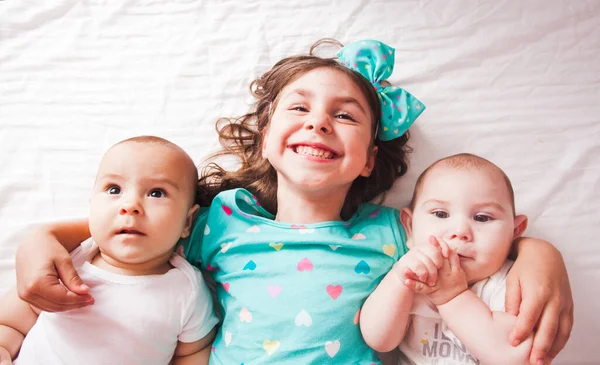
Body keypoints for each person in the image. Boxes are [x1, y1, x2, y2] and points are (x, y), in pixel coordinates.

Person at [13, 40, 572, 364]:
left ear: (369, 160)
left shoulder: (394, 231)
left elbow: (473, 239)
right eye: (299, 108)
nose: (320, 122)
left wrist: (542, 253)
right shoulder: (218, 219)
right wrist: (38, 238)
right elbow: (119, 225)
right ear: (264, 136)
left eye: (346, 115)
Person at [0, 136, 219, 365]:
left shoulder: (186, 290)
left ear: (187, 222)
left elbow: (192, 352)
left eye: (156, 193)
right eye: (114, 189)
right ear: (91, 205)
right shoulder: (68, 260)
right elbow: (11, 323)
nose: (130, 205)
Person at [362, 153, 553, 365]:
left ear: (514, 231)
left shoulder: (511, 283)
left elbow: (518, 357)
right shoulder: (413, 281)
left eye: (482, 218)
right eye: (441, 214)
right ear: (409, 227)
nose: (460, 231)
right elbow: (379, 341)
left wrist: (452, 297)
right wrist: (397, 280)